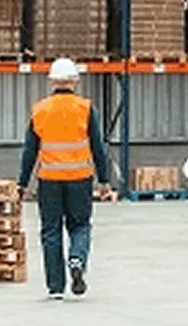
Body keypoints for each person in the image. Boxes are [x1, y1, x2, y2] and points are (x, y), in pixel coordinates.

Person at [18, 58, 115, 299]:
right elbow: (98, 147)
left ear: (52, 81)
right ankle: (77, 259)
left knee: (51, 230)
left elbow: (30, 151)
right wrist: (104, 181)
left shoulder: (40, 110)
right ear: (74, 81)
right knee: (80, 226)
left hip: (49, 180)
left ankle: (55, 287)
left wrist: (22, 183)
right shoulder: (85, 108)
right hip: (80, 179)